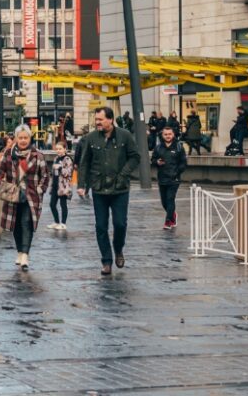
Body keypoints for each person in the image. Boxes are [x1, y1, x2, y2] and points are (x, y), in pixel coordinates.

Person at [77, 106, 140, 276]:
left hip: (120, 188)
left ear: (110, 119)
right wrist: (81, 185)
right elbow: (84, 163)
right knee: (101, 226)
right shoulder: (90, 138)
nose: (97, 123)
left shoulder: (125, 136)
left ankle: (118, 248)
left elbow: (135, 157)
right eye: (96, 120)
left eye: (100, 120)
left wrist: (124, 174)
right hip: (99, 189)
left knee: (120, 224)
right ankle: (106, 261)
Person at [0, 124, 47, 270]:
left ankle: (25, 255)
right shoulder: (9, 154)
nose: (23, 140)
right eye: (20, 138)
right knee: (15, 225)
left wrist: (40, 189)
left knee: (26, 222)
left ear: (30, 138)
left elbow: (45, 175)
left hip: (31, 196)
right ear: (16, 138)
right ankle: (20, 252)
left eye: (25, 138)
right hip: (13, 195)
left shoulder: (37, 155)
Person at [154, 124, 187, 230]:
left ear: (173, 135)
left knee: (170, 199)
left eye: (170, 134)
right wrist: (157, 162)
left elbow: (183, 163)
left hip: (174, 179)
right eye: (166, 134)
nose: (168, 136)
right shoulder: (158, 147)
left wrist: (177, 172)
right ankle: (173, 215)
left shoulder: (179, 147)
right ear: (162, 135)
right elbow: (153, 160)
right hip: (162, 178)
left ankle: (168, 221)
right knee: (164, 202)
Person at [47, 142, 74, 230]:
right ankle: (56, 221)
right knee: (52, 204)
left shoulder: (67, 159)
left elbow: (68, 173)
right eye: (57, 149)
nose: (58, 151)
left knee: (63, 205)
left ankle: (63, 223)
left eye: (60, 149)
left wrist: (60, 168)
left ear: (65, 149)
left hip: (63, 186)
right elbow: (53, 172)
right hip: (55, 185)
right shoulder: (56, 158)